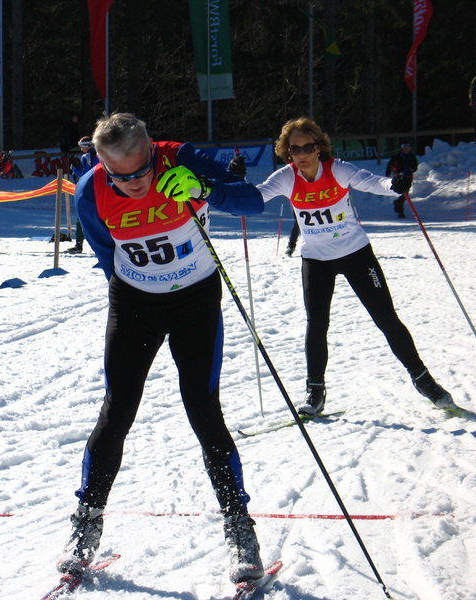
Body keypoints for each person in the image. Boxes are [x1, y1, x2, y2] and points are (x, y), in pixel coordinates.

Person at [57, 112, 266, 585]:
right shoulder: (90, 189)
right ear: (102, 164)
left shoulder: (182, 159)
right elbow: (105, 252)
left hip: (195, 301)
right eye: (120, 176)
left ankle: (239, 526)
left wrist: (203, 189)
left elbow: (252, 202)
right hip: (135, 303)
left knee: (203, 409)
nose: (133, 184)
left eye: (141, 171)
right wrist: (142, 284)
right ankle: (85, 523)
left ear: (152, 149)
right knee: (117, 410)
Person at [256, 117, 453, 416]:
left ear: (319, 147)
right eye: (295, 149)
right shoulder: (286, 177)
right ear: (287, 151)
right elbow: (255, 197)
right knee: (316, 324)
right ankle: (315, 390)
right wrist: (234, 183)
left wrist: (395, 185)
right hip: (316, 260)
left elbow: (373, 182)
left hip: (356, 254)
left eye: (308, 147)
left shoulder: (337, 169)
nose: (302, 154)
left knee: (386, 318)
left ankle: (423, 379)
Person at [65, 136, 99, 254]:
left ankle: (79, 244)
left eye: (81, 146)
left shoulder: (87, 157)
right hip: (101, 190)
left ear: (86, 146)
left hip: (89, 190)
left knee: (81, 217)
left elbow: (85, 175)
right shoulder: (101, 154)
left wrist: (74, 168)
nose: (81, 149)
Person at [385, 143, 418, 218]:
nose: (406, 150)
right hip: (398, 177)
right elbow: (390, 166)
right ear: (402, 149)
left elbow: (415, 167)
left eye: (407, 148)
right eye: (404, 148)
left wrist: (412, 169)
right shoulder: (396, 157)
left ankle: (398, 203)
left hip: (408, 177)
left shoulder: (412, 157)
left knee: (405, 194)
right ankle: (400, 211)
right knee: (402, 193)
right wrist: (387, 175)